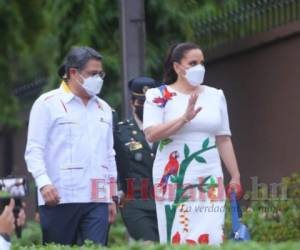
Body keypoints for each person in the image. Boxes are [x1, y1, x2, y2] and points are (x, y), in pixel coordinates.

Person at [143, 42, 241, 245]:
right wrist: (183, 119)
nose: (200, 68)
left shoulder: (215, 95)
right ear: (177, 67)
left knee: (212, 234)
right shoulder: (158, 96)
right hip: (174, 177)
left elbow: (223, 138)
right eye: (193, 63)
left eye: (202, 63)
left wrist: (235, 176)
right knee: (180, 232)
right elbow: (151, 135)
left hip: (210, 174)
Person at [24, 47, 117, 246]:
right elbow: (34, 149)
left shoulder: (104, 108)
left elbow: (109, 154)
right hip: (59, 196)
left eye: (101, 74)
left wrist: (112, 196)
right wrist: (44, 183)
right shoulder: (47, 103)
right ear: (73, 73)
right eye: (93, 74)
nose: (99, 78)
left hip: (97, 199)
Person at [114, 77, 159, 242]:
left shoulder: (167, 129)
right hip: (136, 202)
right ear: (132, 103)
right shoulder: (121, 131)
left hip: (165, 202)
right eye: (141, 102)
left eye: (150, 102)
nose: (145, 107)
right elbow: (115, 164)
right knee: (148, 244)